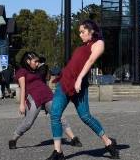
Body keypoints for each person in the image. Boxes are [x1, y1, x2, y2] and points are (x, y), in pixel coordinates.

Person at [48, 20, 118, 160]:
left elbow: (90, 61)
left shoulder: (99, 43)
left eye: (82, 32)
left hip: (78, 85)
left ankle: (107, 142)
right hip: (65, 82)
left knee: (85, 116)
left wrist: (79, 78)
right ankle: (58, 152)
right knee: (55, 114)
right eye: (79, 32)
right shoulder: (83, 45)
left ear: (91, 31)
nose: (80, 35)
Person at [9, 52, 81, 150]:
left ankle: (73, 138)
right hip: (34, 98)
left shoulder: (37, 71)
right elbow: (22, 88)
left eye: (38, 62)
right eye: (36, 61)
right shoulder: (22, 71)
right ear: (28, 61)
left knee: (59, 116)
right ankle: (13, 139)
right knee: (28, 122)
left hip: (48, 95)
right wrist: (22, 104)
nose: (37, 64)